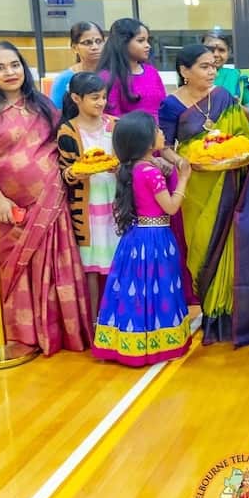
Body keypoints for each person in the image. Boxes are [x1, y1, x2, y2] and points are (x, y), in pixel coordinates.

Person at [0, 41, 91, 355]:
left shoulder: (41, 104)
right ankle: (28, 335)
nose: (9, 72)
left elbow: (61, 139)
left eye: (14, 64)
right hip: (12, 207)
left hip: (52, 198)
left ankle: (64, 331)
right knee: (21, 268)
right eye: (0, 67)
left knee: (58, 265)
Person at [159, 43, 249, 348]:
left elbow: (240, 133)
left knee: (234, 243)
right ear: (184, 71)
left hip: (230, 178)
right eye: (203, 66)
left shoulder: (224, 98)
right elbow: (165, 146)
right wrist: (181, 162)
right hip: (196, 185)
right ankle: (212, 314)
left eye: (213, 66)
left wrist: (232, 151)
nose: (212, 71)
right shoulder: (171, 105)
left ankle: (234, 315)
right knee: (203, 246)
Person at [92, 111, 192, 366]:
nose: (162, 133)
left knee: (136, 290)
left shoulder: (136, 167)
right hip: (155, 239)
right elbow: (170, 207)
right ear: (146, 141)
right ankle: (157, 343)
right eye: (157, 130)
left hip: (136, 238)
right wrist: (183, 179)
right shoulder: (150, 171)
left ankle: (130, 341)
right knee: (157, 288)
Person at [56, 71, 120, 311]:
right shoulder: (68, 131)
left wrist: (119, 168)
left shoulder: (114, 125)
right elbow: (65, 171)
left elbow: (127, 160)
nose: (101, 103)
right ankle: (94, 322)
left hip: (115, 204)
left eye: (103, 97)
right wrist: (76, 173)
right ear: (76, 99)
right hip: (87, 209)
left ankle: (120, 317)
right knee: (91, 267)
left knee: (118, 262)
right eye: (94, 97)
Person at [101, 18, 166, 122]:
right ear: (123, 43)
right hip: (129, 135)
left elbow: (163, 106)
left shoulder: (151, 72)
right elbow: (111, 118)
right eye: (141, 41)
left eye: (147, 40)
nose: (148, 46)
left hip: (160, 134)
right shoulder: (108, 77)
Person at [50, 22, 105, 109]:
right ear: (75, 48)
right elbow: (55, 113)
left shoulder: (113, 74)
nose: (95, 47)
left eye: (98, 41)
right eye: (87, 42)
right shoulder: (64, 79)